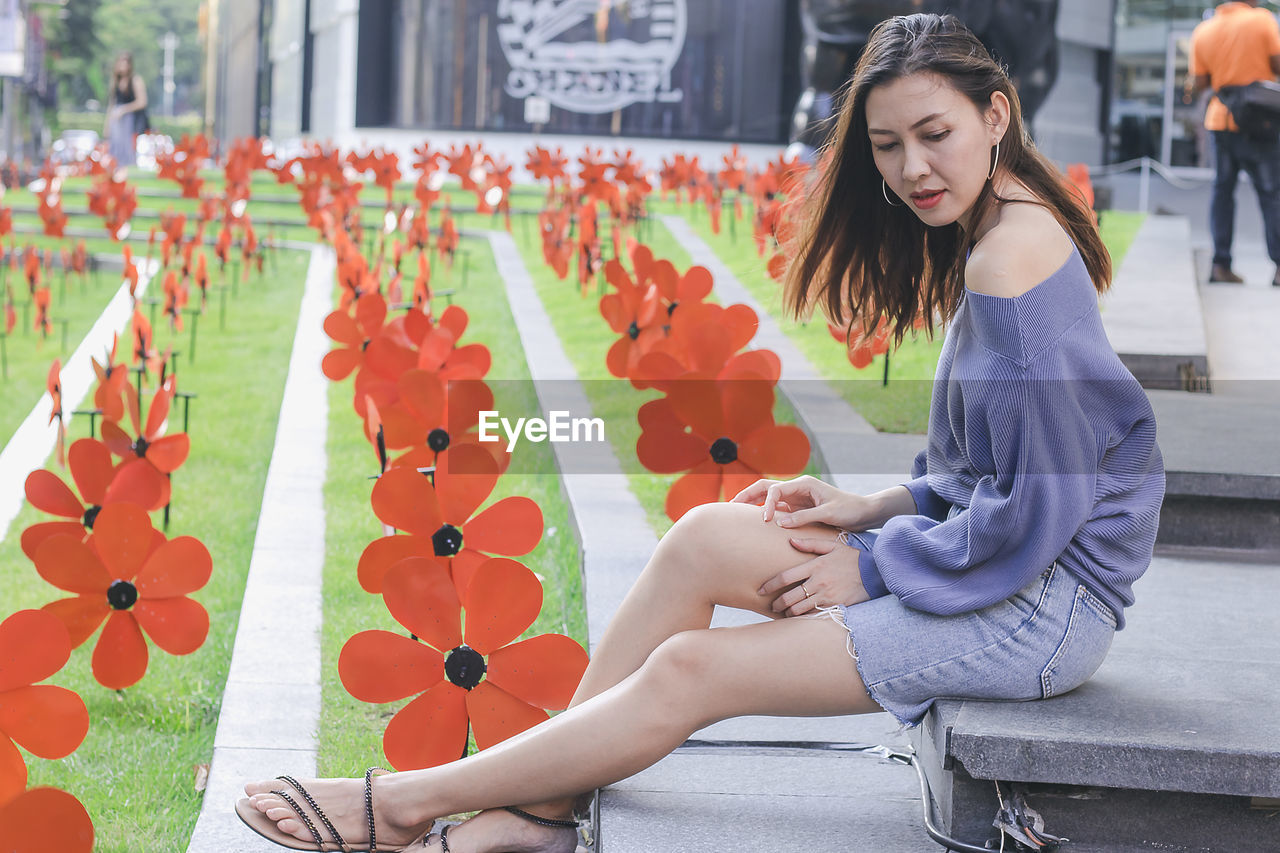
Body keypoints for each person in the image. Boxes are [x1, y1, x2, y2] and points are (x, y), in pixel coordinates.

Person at [238, 13, 1165, 852]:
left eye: (936, 135)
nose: (913, 168)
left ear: (996, 115)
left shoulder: (1014, 257)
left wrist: (875, 562)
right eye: (887, 146)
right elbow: (983, 472)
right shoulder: (993, 232)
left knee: (692, 668)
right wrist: (874, 505)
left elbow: (1046, 504)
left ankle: (401, 803)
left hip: (1042, 609)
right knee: (703, 539)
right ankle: (538, 812)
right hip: (999, 562)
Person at [1187, 1, 1280, 286]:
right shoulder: (1262, 20)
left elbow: (1201, 82)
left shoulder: (1203, 30)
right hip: (1260, 122)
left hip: (1221, 119)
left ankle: (1221, 266)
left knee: (1222, 193)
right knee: (1271, 194)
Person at [103, 52, 147, 169]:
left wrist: (124, 110)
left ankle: (128, 167)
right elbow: (112, 104)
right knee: (116, 146)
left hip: (130, 120)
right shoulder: (115, 82)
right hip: (116, 121)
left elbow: (142, 102)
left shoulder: (135, 80)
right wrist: (107, 126)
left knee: (127, 147)